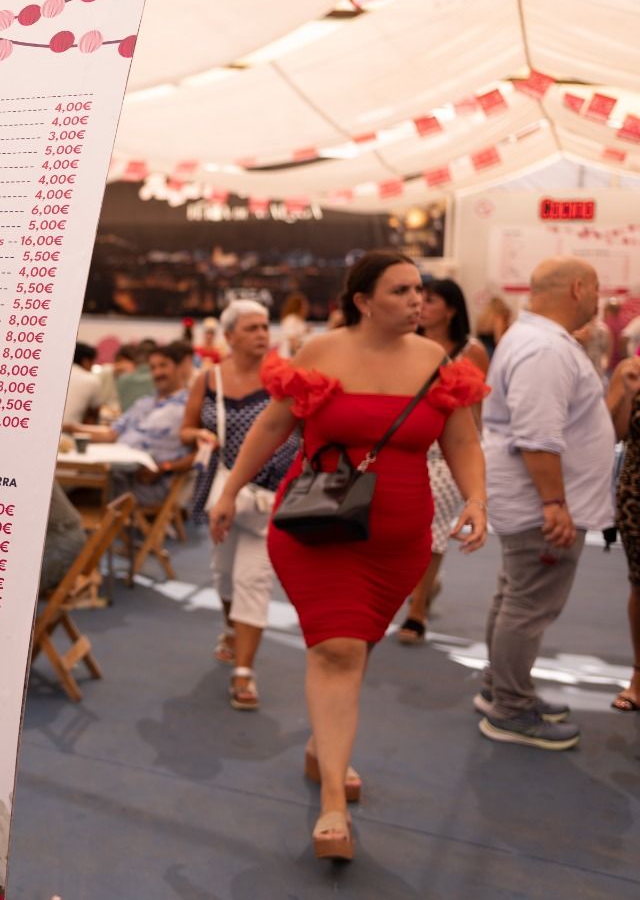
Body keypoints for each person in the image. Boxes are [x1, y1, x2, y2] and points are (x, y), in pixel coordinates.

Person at [212, 250, 488, 861]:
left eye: (419, 290)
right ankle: (333, 801)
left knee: (354, 646)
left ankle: (323, 746)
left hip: (398, 537)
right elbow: (271, 428)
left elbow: (462, 438)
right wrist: (230, 491)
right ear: (363, 300)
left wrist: (477, 497)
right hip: (319, 528)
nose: (418, 300)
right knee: (335, 647)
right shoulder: (320, 353)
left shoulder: (437, 362)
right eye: (401, 291)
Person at [477, 258, 615, 750]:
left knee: (516, 597)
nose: (599, 299)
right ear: (579, 287)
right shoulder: (543, 348)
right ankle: (510, 709)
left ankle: (503, 689)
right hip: (543, 504)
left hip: (534, 498)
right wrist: (554, 502)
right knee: (528, 605)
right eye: (597, 288)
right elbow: (537, 436)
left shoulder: (537, 340)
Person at [182, 301, 298, 710]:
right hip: (222, 493)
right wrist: (198, 434)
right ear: (229, 336)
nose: (261, 334)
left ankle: (244, 672)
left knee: (254, 579)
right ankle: (230, 627)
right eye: (251, 327)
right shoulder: (208, 378)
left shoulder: (284, 378)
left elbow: (300, 430)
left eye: (265, 326)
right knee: (224, 573)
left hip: (269, 495)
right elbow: (185, 427)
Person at [397, 277, 491, 644]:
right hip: (409, 444)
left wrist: (472, 452)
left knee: (433, 523)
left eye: (429, 299)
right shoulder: (407, 344)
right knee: (408, 526)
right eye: (416, 295)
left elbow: (475, 410)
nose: (420, 304)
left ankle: (417, 610)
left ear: (451, 308)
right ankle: (425, 586)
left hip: (448, 450)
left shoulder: (471, 350)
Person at [69, 346, 195, 507]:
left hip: (149, 484)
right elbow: (111, 434)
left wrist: (165, 467)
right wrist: (69, 429)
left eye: (163, 366)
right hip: (117, 474)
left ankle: (104, 530)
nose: (157, 373)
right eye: (153, 368)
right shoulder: (143, 403)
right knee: (70, 486)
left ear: (178, 368)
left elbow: (203, 451)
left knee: (74, 495)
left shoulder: (189, 405)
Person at [610, 349, 640, 713]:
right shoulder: (631, 368)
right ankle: (638, 674)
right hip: (637, 492)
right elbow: (613, 432)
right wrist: (628, 393)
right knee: (639, 584)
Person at [62, 341, 102, 427]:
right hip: (67, 434)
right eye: (92, 362)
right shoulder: (91, 379)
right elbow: (93, 416)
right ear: (86, 361)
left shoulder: (55, 373)